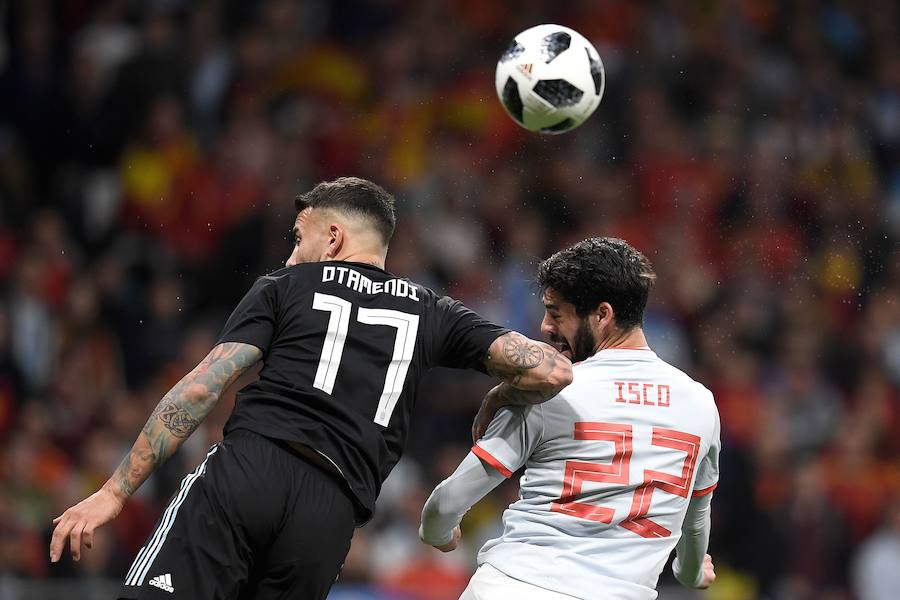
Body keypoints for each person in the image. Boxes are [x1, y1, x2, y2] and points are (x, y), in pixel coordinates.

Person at [49, 177, 573, 599]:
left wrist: (114, 492)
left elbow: (201, 388)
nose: (293, 254)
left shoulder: (285, 285)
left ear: (334, 237)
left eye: (300, 238)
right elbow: (551, 371)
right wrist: (499, 395)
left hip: (249, 473)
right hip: (329, 514)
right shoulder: (432, 309)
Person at [419, 237, 720, 600]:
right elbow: (695, 529)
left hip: (514, 587)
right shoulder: (702, 406)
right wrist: (690, 570)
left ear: (602, 315)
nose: (546, 326)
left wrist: (437, 531)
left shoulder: (548, 390)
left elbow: (448, 501)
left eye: (556, 313)